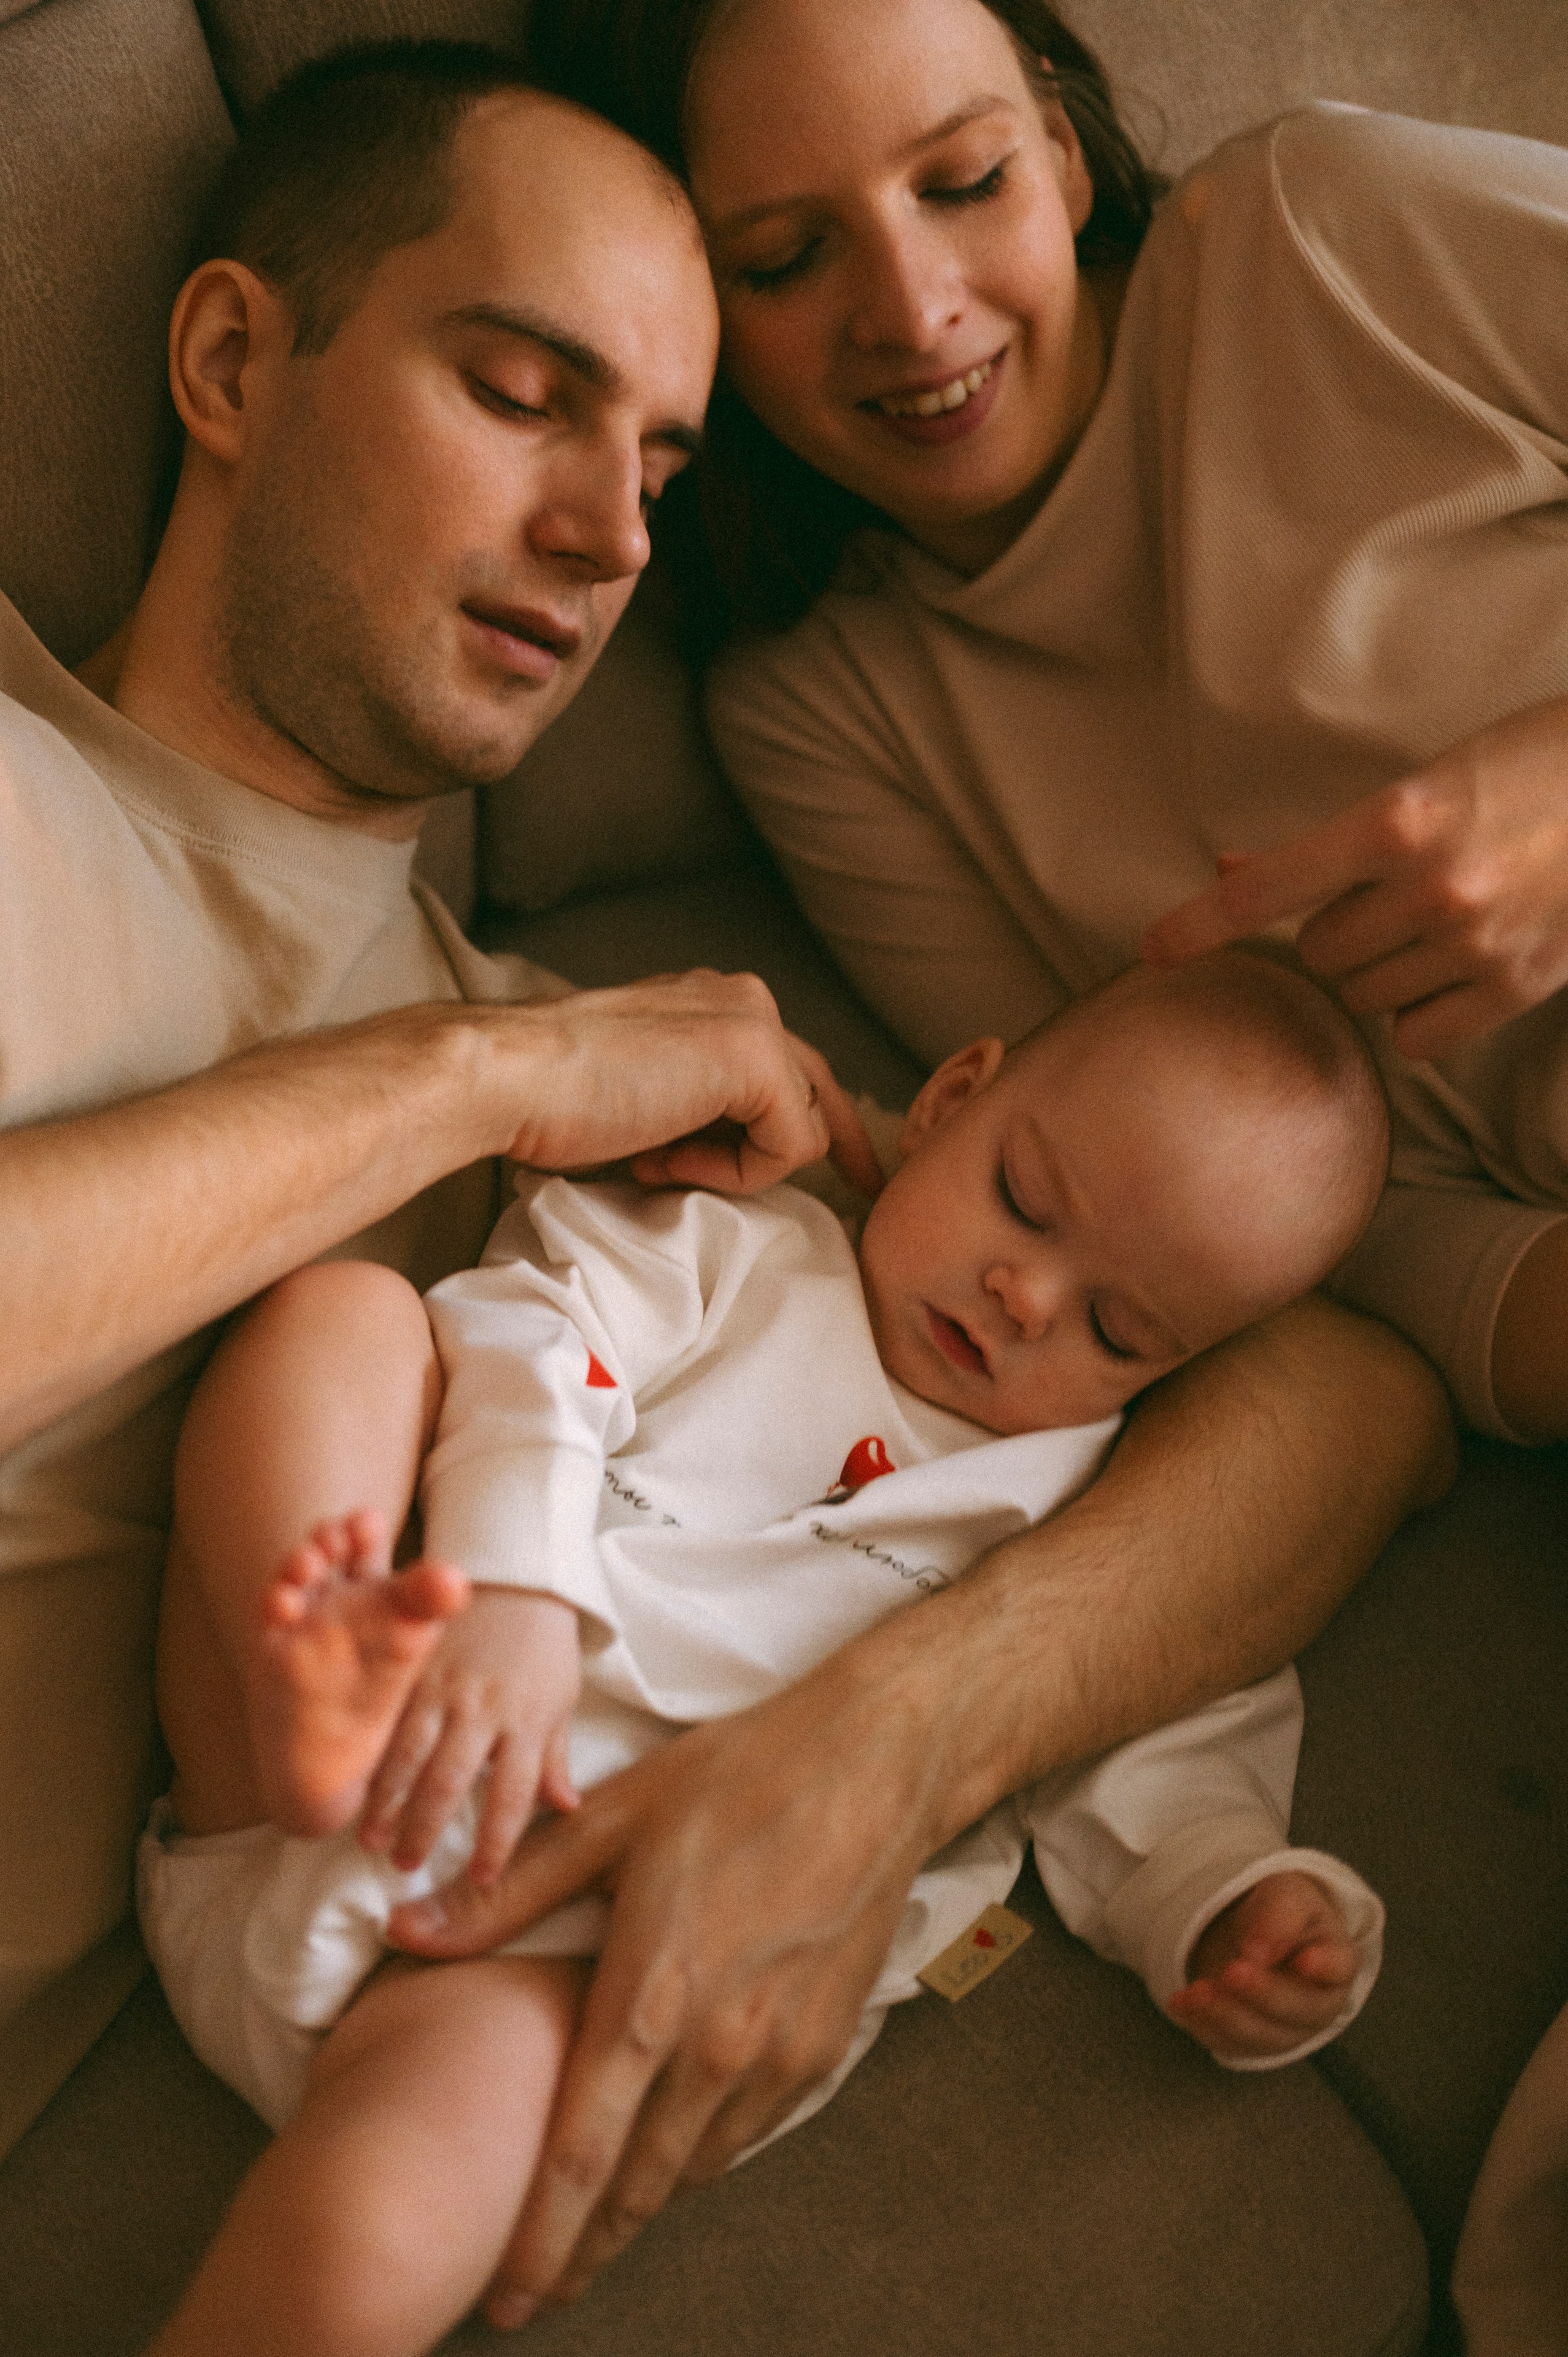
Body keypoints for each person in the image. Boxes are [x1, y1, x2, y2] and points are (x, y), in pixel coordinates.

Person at [0, 20, 1448, 2337]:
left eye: (665, 460)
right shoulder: (467, 1041)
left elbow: (1346, 1400)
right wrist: (480, 1073)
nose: (609, 539)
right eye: (518, 390)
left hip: (391, 1883)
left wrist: (905, 1754)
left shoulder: (667, 1135)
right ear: (232, 357)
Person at [511, 0, 1568, 2336]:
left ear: (1076, 148)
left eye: (965, 182)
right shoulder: (828, 706)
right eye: (786, 256)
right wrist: (1524, 1321)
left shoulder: (1333, 234)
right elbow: (1202, 1243)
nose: (910, 313)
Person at [140, 948, 1390, 2357]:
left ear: (1182, 1369)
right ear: (951, 1096)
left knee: (366, 2236)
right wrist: (509, 1587)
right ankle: (310, 1663)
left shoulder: (1093, 1526)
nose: (1024, 1296)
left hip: (537, 1959)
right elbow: (530, 1335)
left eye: (1116, 1328)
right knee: (343, 1316)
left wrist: (1234, 1902)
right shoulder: (728, 1249)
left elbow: (1164, 1735)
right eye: (1023, 1202)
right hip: (330, 1745)